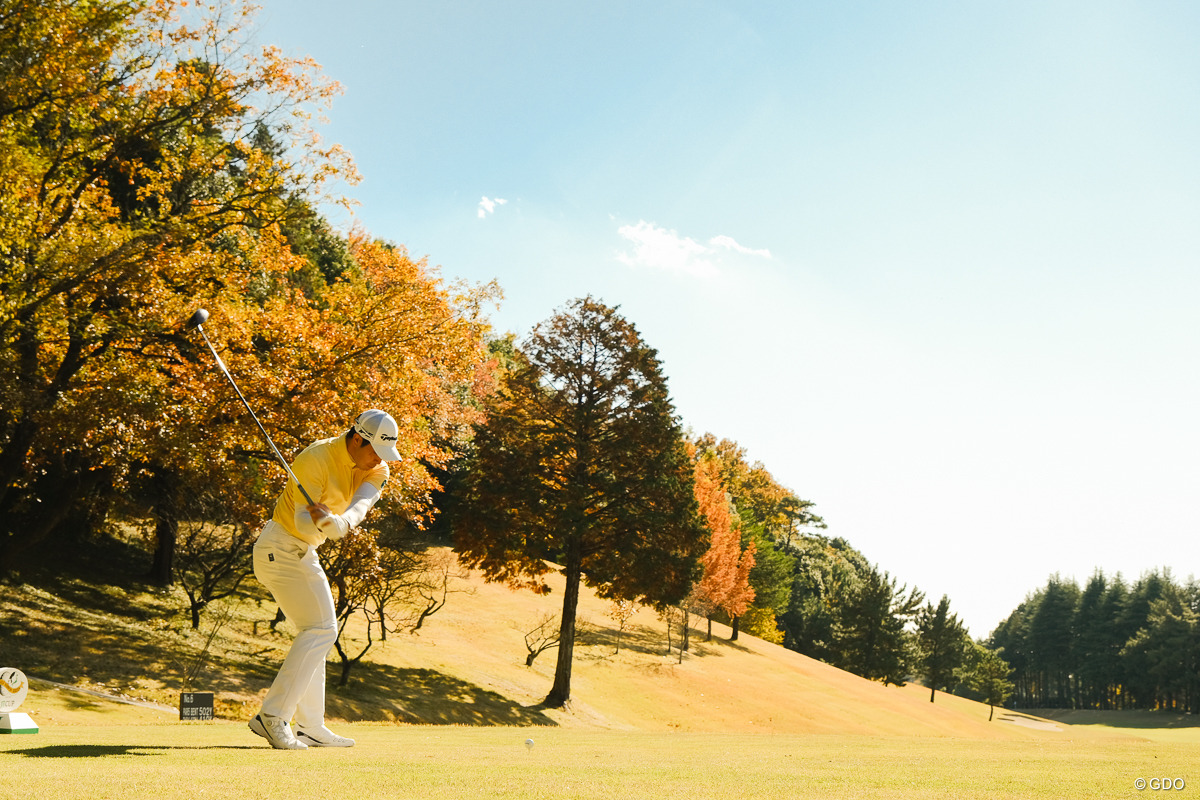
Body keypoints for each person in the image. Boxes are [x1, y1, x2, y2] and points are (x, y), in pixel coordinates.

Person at [248, 409, 401, 750]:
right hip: (278, 548)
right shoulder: (316, 458)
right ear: (357, 439)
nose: (380, 460)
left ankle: (311, 726)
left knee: (318, 632)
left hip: (302, 552)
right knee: (322, 630)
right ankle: (272, 717)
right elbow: (301, 521)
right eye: (375, 451)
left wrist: (339, 523)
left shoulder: (378, 468)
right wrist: (321, 524)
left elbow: (361, 506)